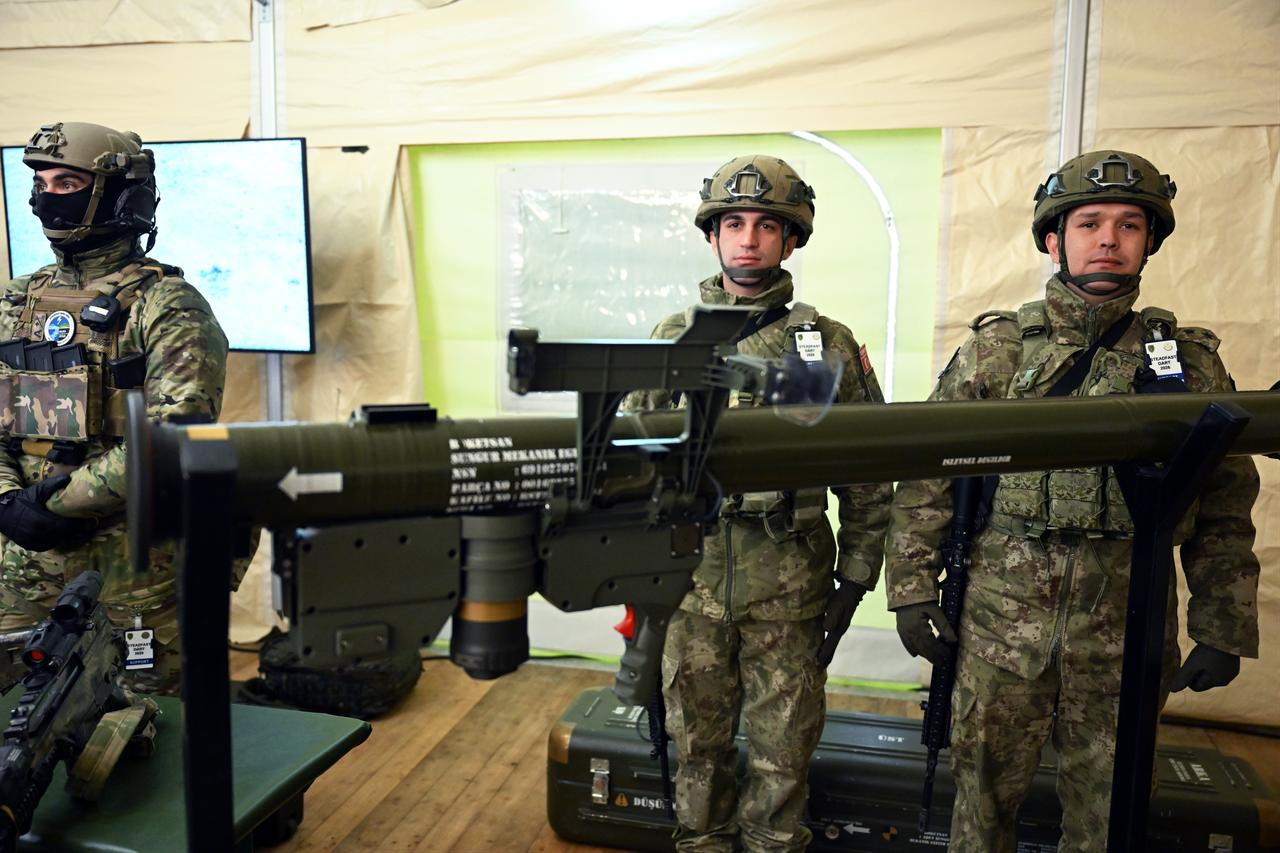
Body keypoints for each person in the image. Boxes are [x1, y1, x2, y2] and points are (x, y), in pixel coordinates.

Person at [885, 150, 1260, 851]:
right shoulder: (996, 353)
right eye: (1088, 223)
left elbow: (1225, 505)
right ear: (1054, 239)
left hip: (1126, 633)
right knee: (981, 810)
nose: (1109, 239)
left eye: (1128, 224)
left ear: (1150, 241)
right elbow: (927, 473)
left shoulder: (1190, 362)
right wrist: (910, 587)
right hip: (999, 632)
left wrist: (1223, 623)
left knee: (1111, 820)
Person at [623, 155, 892, 852]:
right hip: (692, 583)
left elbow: (869, 470)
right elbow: (626, 467)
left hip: (792, 585)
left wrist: (857, 577)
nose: (749, 239)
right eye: (733, 223)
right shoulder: (671, 339)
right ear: (712, 235)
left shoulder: (826, 344)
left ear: (792, 239)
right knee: (696, 748)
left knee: (783, 757)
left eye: (767, 226)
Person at [0, 121, 230, 695]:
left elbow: (174, 434)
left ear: (122, 195)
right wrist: (8, 501)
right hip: (23, 560)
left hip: (129, 571)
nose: (50, 196)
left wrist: (57, 502)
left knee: (142, 727)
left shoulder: (168, 305)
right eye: (43, 182)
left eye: (69, 180)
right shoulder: (14, 300)